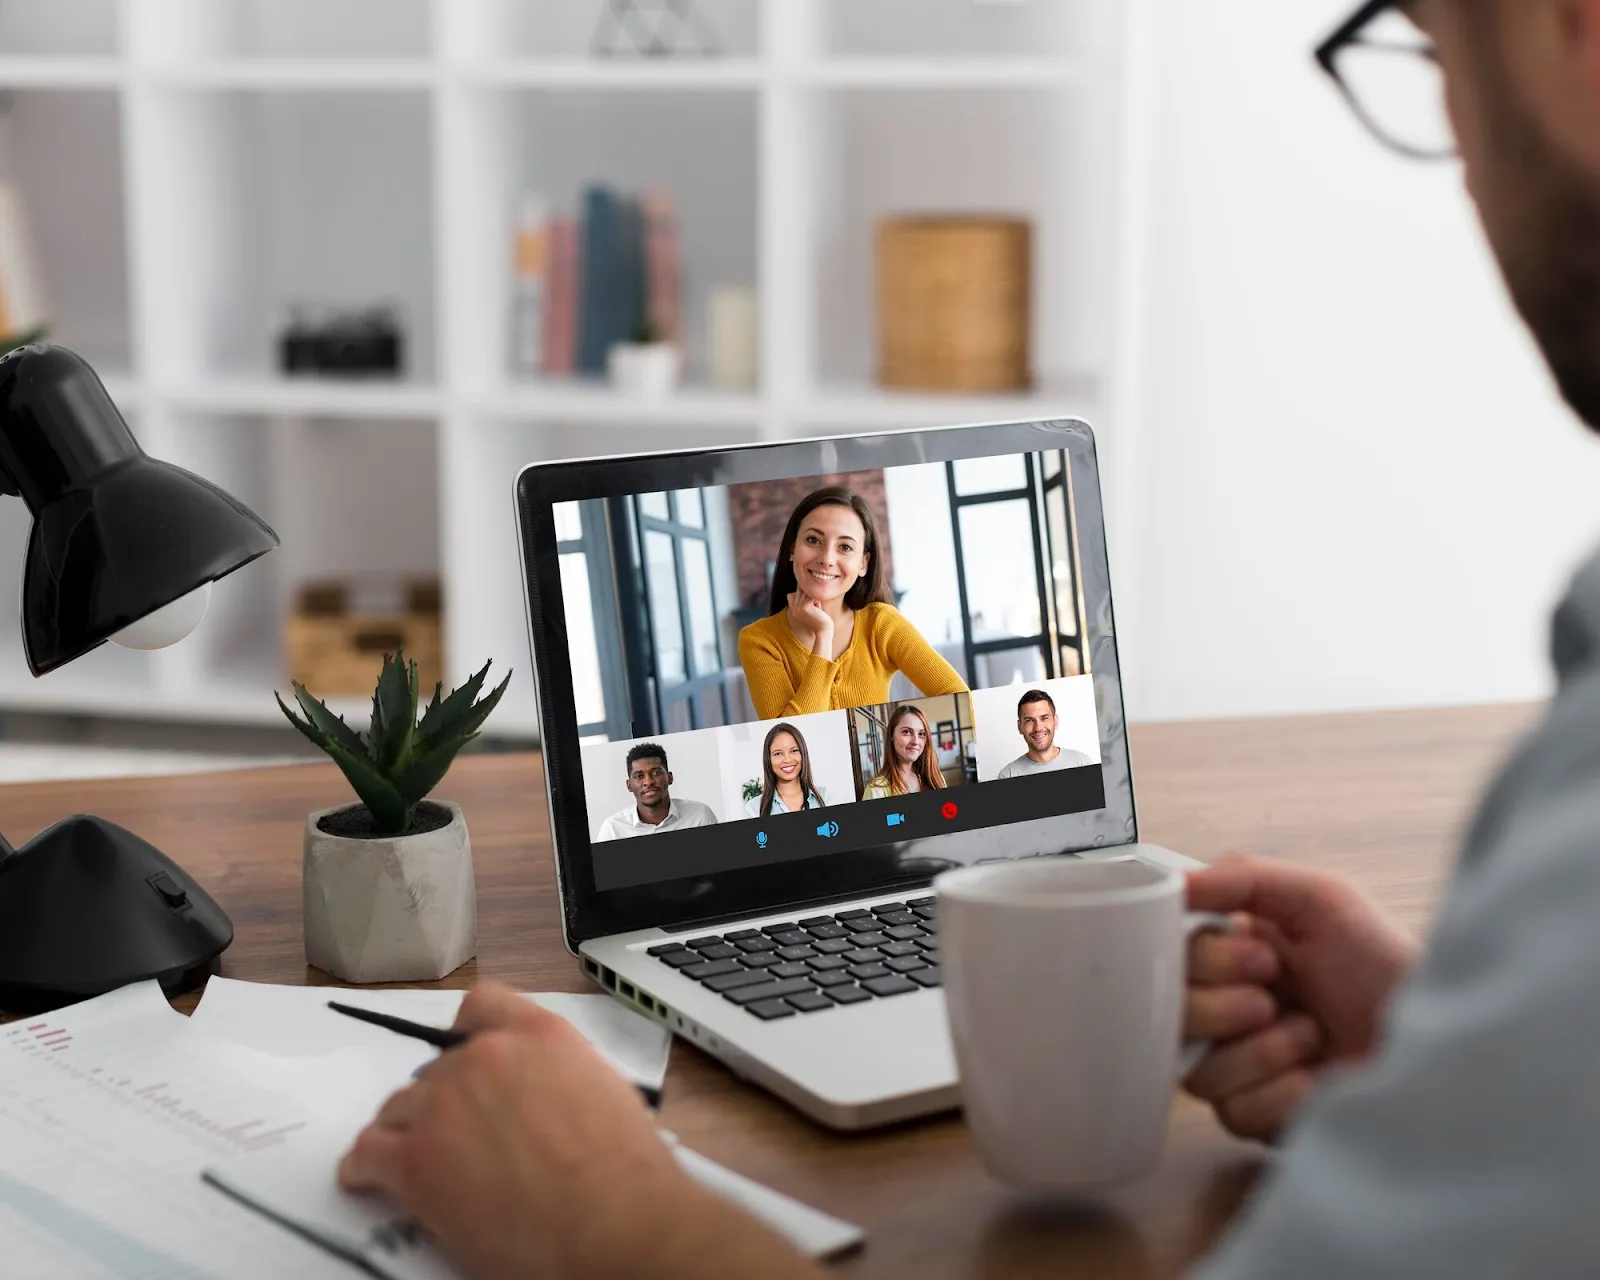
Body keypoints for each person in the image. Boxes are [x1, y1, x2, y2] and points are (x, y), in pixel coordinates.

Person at [339, 3, 1600, 1275]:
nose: (1448, 129)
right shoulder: (771, 637)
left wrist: (602, 1215)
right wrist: (1466, 1067)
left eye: (1436, 49)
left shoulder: (885, 621)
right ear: (790, 558)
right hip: (753, 898)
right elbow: (797, 725)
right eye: (813, 548)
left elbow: (944, 714)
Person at [736, 486, 968, 719]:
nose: (827, 558)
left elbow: (959, 700)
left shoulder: (882, 624)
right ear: (792, 549)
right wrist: (823, 637)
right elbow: (790, 739)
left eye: (845, 547)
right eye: (813, 539)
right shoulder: (759, 640)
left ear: (863, 564)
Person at [593, 743, 718, 841]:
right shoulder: (613, 829)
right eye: (639, 776)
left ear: (670, 777)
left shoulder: (699, 815)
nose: (648, 782)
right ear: (629, 785)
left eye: (656, 773)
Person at [995, 688, 1092, 779]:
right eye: (1029, 720)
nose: (1038, 728)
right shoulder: (1008, 775)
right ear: (1020, 727)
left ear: (1055, 721)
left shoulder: (1083, 763)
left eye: (1044, 718)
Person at [861, 703, 946, 799]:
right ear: (892, 735)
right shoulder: (876, 790)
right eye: (907, 732)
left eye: (921, 734)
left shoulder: (936, 779)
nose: (916, 741)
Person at [743, 722, 828, 817]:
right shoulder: (754, 808)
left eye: (794, 750)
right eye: (778, 753)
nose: (787, 760)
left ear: (803, 754)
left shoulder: (826, 797)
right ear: (768, 759)